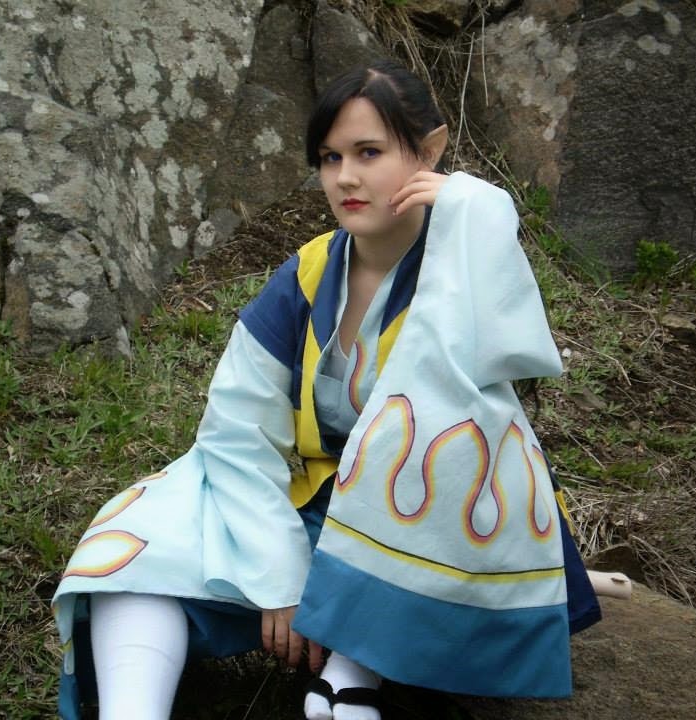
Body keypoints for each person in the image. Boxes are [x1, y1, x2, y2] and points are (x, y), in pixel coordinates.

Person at [52, 59, 602, 720]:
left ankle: (351, 671)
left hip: (437, 516)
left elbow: (511, 348)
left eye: (369, 152)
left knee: (442, 435)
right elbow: (237, 428)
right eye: (329, 157)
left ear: (429, 150)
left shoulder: (464, 262)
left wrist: (476, 206)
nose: (345, 177)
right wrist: (279, 575)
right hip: (317, 499)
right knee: (138, 535)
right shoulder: (309, 274)